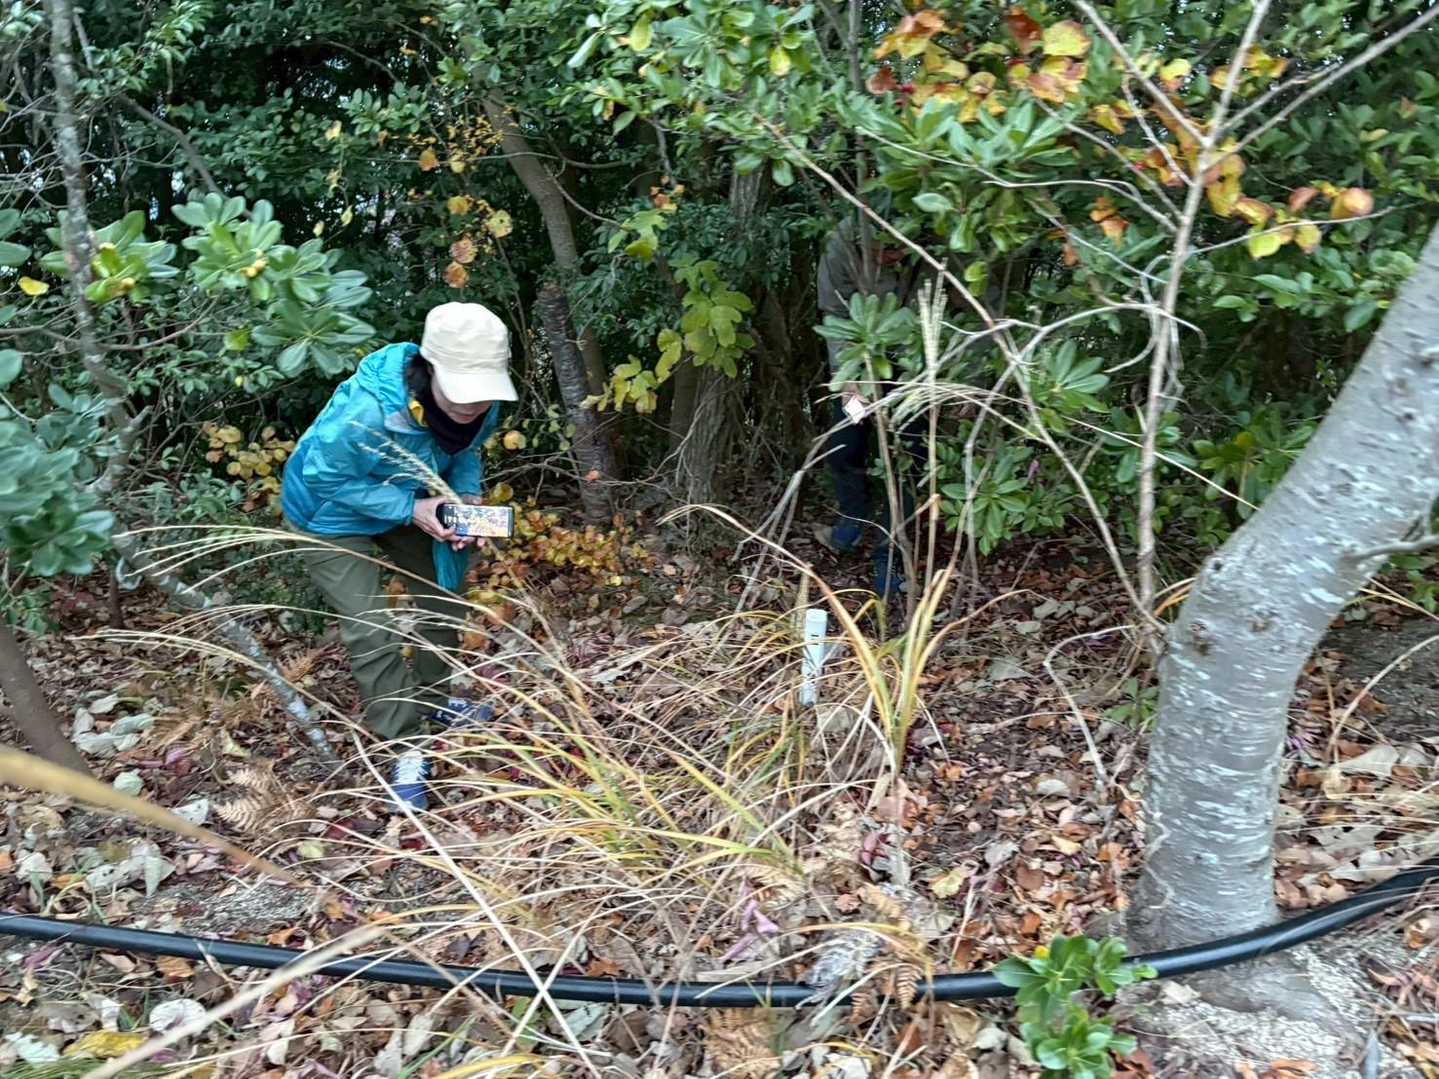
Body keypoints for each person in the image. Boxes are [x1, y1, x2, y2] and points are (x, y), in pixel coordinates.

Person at [281, 302, 515, 811]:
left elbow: (466, 452)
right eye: (462, 392)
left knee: (443, 597)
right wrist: (411, 509)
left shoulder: (486, 403)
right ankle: (405, 742)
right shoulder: (366, 412)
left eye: (483, 393)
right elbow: (323, 476)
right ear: (429, 371)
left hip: (413, 498)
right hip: (330, 514)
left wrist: (465, 498)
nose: (474, 405)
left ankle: (433, 700)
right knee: (370, 626)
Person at [815, 220, 922, 597]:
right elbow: (834, 311)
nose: (891, 258)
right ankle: (852, 521)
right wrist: (848, 376)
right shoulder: (841, 245)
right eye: (881, 251)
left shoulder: (929, 246)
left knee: (907, 459)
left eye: (897, 250)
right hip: (859, 356)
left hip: (914, 363)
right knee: (845, 444)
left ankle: (889, 557)